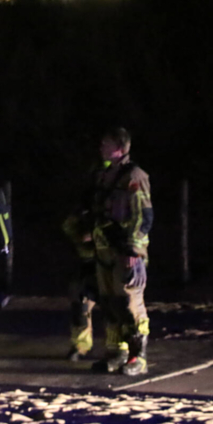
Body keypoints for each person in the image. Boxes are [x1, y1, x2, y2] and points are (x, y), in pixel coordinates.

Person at [88, 127, 154, 376]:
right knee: (109, 302)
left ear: (119, 147)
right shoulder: (105, 175)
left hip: (124, 250)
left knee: (130, 302)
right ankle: (117, 351)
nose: (101, 147)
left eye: (106, 143)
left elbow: (142, 215)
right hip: (104, 249)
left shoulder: (134, 176)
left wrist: (132, 249)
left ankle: (139, 355)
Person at [62, 204, 100, 361]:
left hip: (110, 261)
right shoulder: (86, 209)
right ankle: (81, 346)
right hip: (86, 263)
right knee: (80, 306)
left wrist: (97, 236)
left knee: (117, 306)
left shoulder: (116, 204)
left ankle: (122, 348)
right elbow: (68, 227)